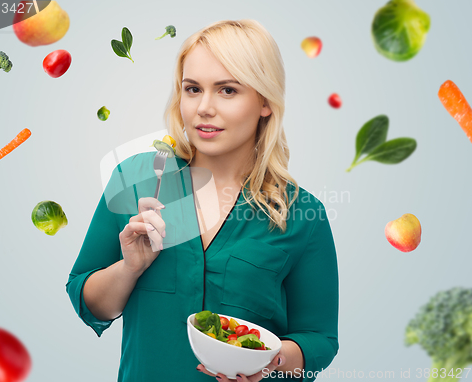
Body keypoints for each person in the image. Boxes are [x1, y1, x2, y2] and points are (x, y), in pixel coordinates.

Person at [66, 19, 339, 382]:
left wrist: (269, 362)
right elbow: (88, 301)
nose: (203, 108)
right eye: (193, 89)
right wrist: (129, 268)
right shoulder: (135, 180)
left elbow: (319, 340)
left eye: (227, 90)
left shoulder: (301, 214)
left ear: (265, 102)